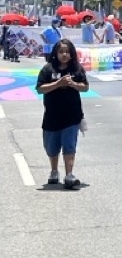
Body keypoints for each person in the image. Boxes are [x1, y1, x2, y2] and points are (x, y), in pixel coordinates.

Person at [36, 38, 89, 188]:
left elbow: (85, 87)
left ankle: (69, 175)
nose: (64, 54)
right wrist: (58, 84)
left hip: (72, 115)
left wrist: (73, 84)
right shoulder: (48, 69)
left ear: (72, 54)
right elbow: (40, 88)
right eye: (61, 52)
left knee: (69, 145)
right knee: (51, 147)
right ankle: (54, 171)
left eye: (67, 52)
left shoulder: (77, 69)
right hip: (52, 115)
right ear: (55, 53)